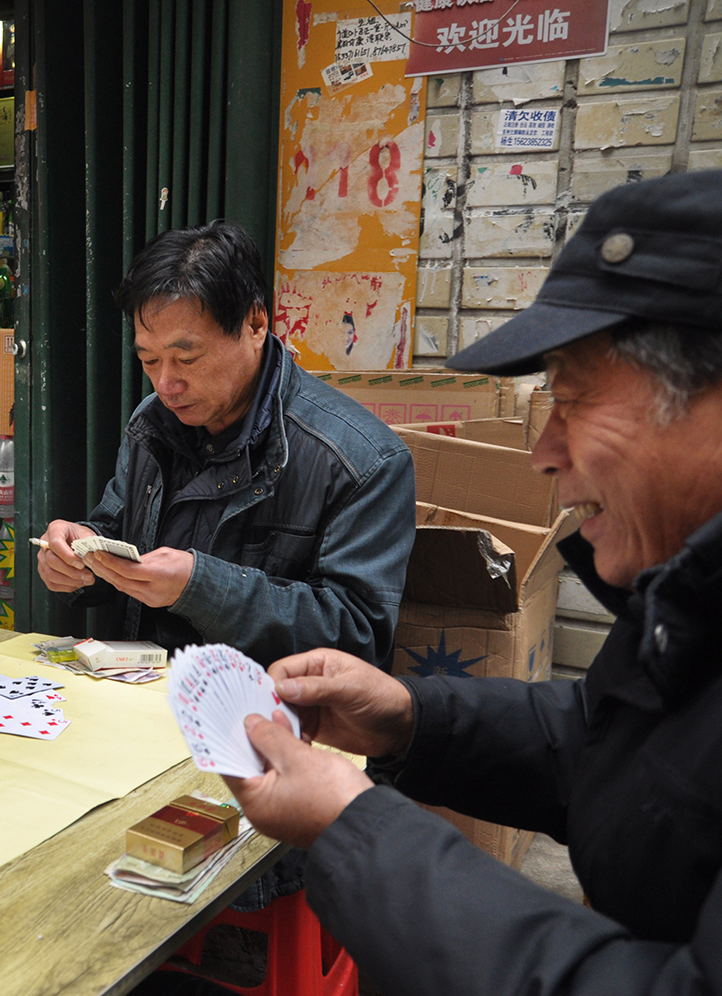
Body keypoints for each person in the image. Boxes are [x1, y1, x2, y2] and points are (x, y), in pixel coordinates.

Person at [224, 169, 722, 996]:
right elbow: (611, 737)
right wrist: (410, 719)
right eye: (149, 357)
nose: (545, 451)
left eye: (574, 401)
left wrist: (356, 828)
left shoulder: (350, 452)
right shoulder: (684, 597)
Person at [33, 219, 416, 912]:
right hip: (142, 727)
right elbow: (118, 529)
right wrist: (81, 555)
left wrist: (202, 586)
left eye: (187, 355)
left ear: (257, 324)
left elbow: (359, 638)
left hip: (277, 757)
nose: (167, 382)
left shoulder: (360, 461)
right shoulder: (154, 424)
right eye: (149, 359)